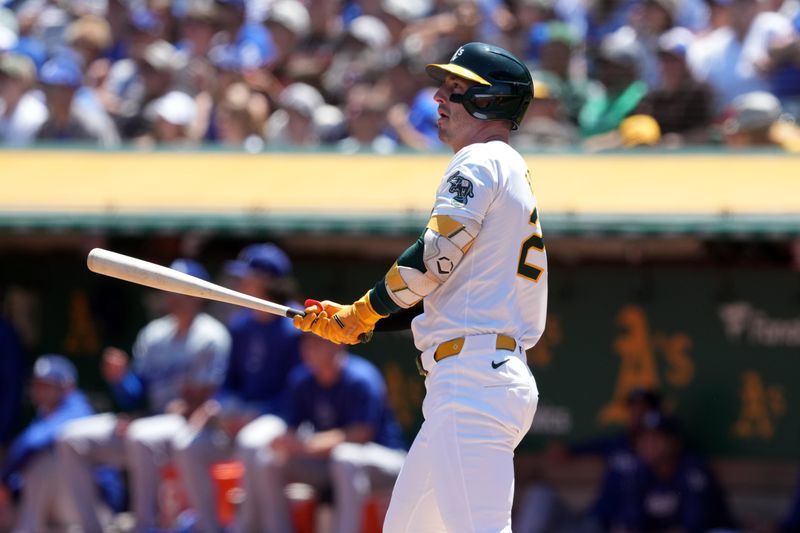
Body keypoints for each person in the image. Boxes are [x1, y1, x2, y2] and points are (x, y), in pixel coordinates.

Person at [295, 42, 544, 532]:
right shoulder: (505, 168)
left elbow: (436, 254)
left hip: (473, 380)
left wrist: (364, 311)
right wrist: (355, 321)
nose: (439, 98)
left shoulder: (480, 159)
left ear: (490, 100)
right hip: (477, 375)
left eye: (456, 89)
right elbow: (445, 284)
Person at [57, 259, 231, 533]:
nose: (173, 296)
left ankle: (145, 526)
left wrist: (148, 415)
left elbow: (201, 400)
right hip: (151, 420)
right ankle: (93, 526)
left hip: (191, 427)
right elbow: (136, 394)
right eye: (170, 288)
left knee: (141, 435)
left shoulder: (211, 336)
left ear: (200, 295)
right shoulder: (154, 334)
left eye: (181, 289)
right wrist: (122, 378)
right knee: (71, 439)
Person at [172, 243, 303, 533]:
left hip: (282, 419)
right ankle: (209, 527)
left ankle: (250, 527)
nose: (241, 282)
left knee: (252, 442)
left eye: (248, 276)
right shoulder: (241, 324)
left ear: (268, 280)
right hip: (241, 417)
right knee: (188, 444)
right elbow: (228, 382)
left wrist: (254, 416)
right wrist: (217, 408)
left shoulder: (295, 323)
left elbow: (299, 390)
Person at [245, 332, 406, 533]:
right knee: (268, 461)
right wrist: (285, 442)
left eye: (317, 342)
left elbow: (360, 434)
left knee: (345, 458)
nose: (309, 349)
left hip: (385, 461)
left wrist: (305, 445)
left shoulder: (361, 378)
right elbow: (293, 429)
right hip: (330, 463)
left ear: (338, 345)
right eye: (306, 343)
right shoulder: (301, 379)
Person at [1, 355, 121, 533]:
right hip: (66, 504)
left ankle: (28, 528)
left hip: (97, 507)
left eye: (47, 385)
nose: (39, 391)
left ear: (67, 386)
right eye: (37, 384)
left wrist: (4, 481)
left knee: (44, 459)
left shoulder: (77, 407)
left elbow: (31, 443)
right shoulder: (44, 413)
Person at [592, 411, 736, 533]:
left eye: (656, 439)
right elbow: (632, 521)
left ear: (675, 443)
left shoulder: (693, 471)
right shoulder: (636, 472)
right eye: (644, 438)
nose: (648, 445)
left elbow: (695, 524)